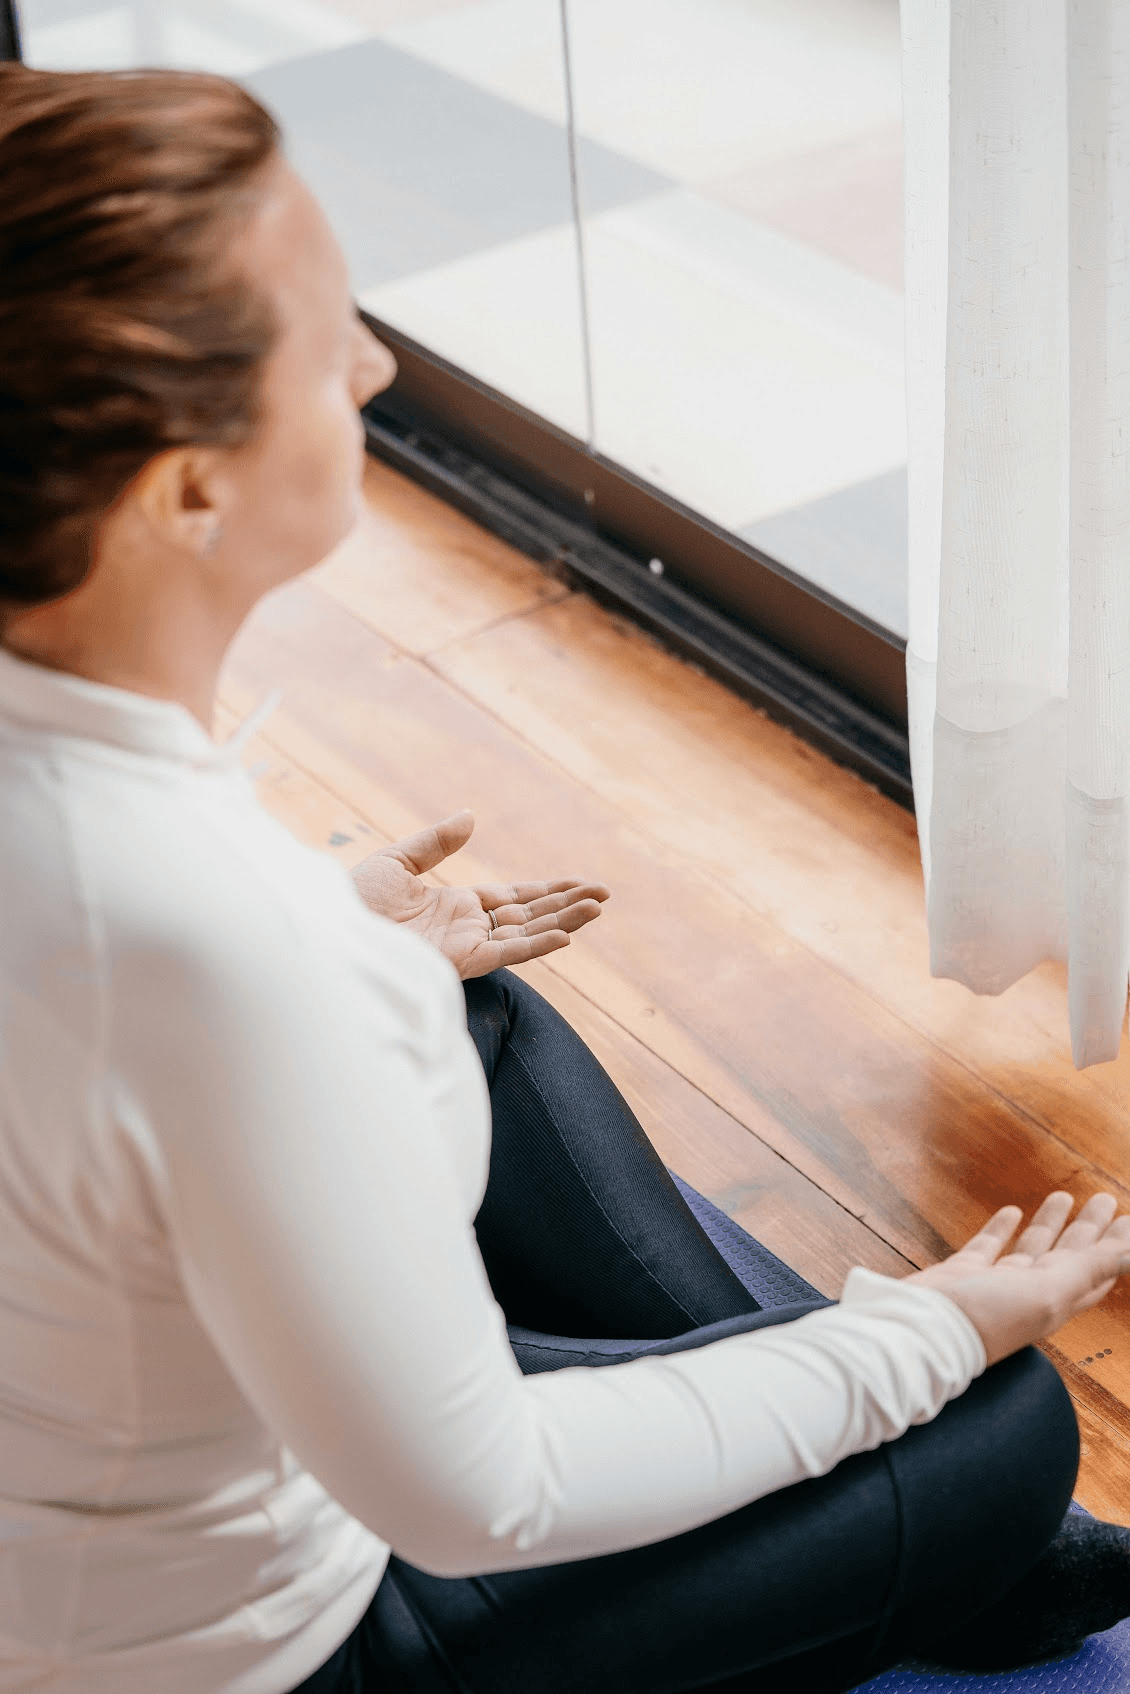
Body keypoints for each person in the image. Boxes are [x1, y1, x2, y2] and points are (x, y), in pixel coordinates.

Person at [1, 61, 1129, 1694]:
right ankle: (952, 1529)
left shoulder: (153, 863)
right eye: (330, 342)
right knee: (1003, 1411)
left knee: (473, 1010)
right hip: (287, 1643)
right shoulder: (213, 941)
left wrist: (345, 938)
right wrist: (924, 1332)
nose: (378, 363)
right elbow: (478, 1495)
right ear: (184, 487)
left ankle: (799, 1437)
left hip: (146, 1436)